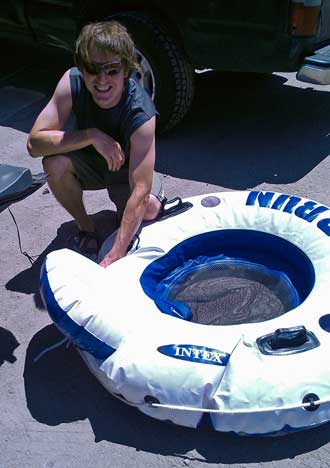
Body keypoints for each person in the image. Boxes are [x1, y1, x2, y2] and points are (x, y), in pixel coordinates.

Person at [27, 20, 164, 267]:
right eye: (92, 68)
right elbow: (34, 144)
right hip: (88, 161)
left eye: (111, 69)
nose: (101, 80)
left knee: (148, 209)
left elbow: (140, 188)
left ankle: (152, 201)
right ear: (82, 67)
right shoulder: (72, 82)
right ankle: (86, 227)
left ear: (125, 69)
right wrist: (91, 135)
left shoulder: (141, 112)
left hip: (125, 170)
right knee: (54, 163)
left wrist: (115, 254)